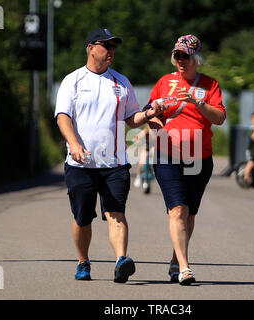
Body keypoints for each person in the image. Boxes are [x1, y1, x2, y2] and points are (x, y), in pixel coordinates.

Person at [55, 28, 165, 283]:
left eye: (114, 47)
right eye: (106, 46)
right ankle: (83, 261)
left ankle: (120, 261)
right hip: (81, 163)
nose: (111, 52)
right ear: (91, 48)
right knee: (82, 217)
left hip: (115, 164)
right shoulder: (73, 81)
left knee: (116, 212)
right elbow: (63, 116)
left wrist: (149, 114)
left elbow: (132, 118)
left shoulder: (122, 82)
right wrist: (73, 144)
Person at [146, 35, 226, 285]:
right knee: (177, 209)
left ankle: (174, 261)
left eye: (186, 56)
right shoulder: (164, 82)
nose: (181, 60)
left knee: (189, 213)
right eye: (177, 55)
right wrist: (156, 125)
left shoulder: (210, 86)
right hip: (167, 155)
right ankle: (185, 268)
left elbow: (219, 118)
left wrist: (197, 101)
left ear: (196, 59)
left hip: (199, 158)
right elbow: (150, 112)